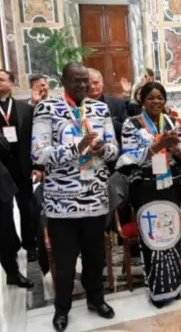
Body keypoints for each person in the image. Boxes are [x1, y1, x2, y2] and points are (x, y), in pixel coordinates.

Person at [32, 62, 119, 332]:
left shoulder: (99, 108)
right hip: (62, 203)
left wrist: (104, 148)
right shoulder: (47, 108)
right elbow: (38, 154)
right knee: (66, 261)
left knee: (95, 258)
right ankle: (62, 309)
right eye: (77, 81)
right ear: (64, 80)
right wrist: (75, 147)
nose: (83, 86)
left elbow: (114, 150)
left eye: (86, 81)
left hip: (95, 198)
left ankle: (96, 299)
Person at [115, 82, 181, 307]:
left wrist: (174, 149)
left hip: (169, 185)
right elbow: (127, 157)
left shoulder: (171, 122)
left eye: (160, 97)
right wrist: (155, 146)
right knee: (152, 237)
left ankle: (175, 284)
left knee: (171, 235)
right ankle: (157, 290)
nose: (156, 102)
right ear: (142, 100)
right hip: (145, 188)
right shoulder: (131, 124)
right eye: (151, 98)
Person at [0, 70, 41, 262]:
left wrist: (36, 165)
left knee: (27, 207)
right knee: (5, 212)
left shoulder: (24, 109)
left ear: (12, 84)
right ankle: (11, 245)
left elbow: (34, 139)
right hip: (2, 169)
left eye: (1, 79)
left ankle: (30, 244)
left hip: (22, 165)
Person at [0, 155, 33, 289]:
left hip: (2, 185)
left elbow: (4, 146)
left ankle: (12, 270)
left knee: (6, 228)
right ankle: (12, 272)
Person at [88, 69, 128, 143]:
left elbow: (126, 130)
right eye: (89, 83)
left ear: (102, 83)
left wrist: (107, 121)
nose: (92, 87)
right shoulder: (77, 106)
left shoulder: (117, 104)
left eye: (95, 83)